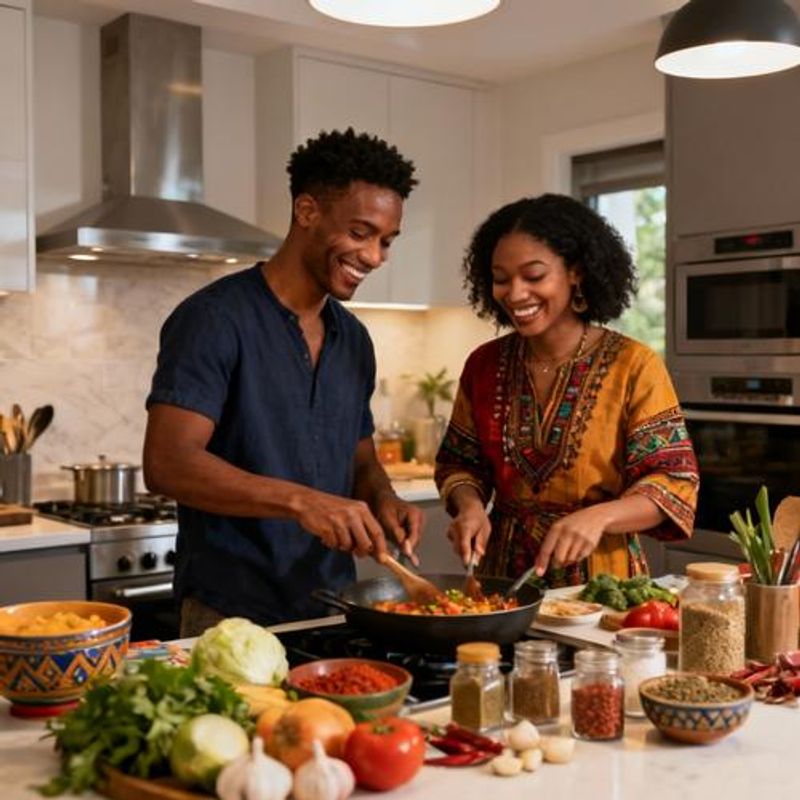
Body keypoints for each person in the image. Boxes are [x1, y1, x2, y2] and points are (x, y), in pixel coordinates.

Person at [143, 128, 424, 635]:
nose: (376, 257)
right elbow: (167, 464)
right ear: (307, 211)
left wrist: (383, 497)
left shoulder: (354, 339)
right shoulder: (214, 319)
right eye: (360, 233)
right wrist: (302, 501)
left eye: (386, 241)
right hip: (228, 617)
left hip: (334, 608)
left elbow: (359, 458)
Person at [435, 194, 699, 586]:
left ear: (575, 271)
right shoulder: (483, 365)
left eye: (534, 276)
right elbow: (460, 464)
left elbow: (674, 482)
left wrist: (601, 516)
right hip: (503, 586)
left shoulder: (634, 365)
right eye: (501, 279)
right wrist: (470, 508)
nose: (514, 293)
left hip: (600, 592)